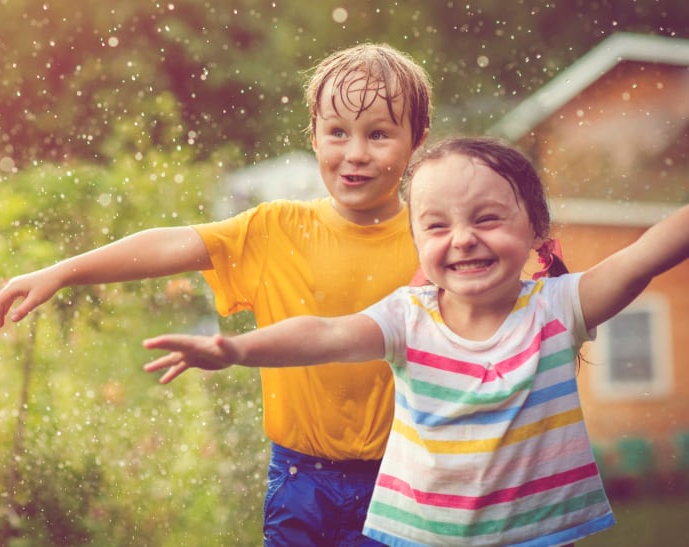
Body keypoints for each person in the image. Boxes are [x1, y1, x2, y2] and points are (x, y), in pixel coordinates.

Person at [143, 136, 689, 546]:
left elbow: (644, 254)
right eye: (436, 226)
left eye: (487, 218)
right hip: (420, 537)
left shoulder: (559, 306)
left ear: (536, 229)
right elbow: (326, 333)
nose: (464, 238)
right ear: (416, 243)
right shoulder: (409, 318)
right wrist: (239, 349)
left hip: (536, 536)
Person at [0, 43, 432, 546]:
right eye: (337, 133)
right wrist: (64, 271)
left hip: (406, 478)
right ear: (312, 136)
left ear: (417, 140)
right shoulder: (277, 228)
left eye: (378, 135)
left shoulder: (435, 241)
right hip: (300, 481)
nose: (354, 153)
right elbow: (173, 243)